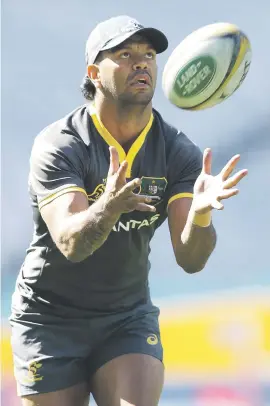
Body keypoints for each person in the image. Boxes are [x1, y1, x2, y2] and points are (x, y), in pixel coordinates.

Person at [9, 15, 248, 406]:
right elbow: (72, 243)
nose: (142, 62)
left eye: (149, 54)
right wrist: (108, 207)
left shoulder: (177, 152)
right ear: (94, 73)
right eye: (125, 53)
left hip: (125, 317)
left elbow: (191, 259)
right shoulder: (61, 145)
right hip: (49, 319)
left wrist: (202, 213)